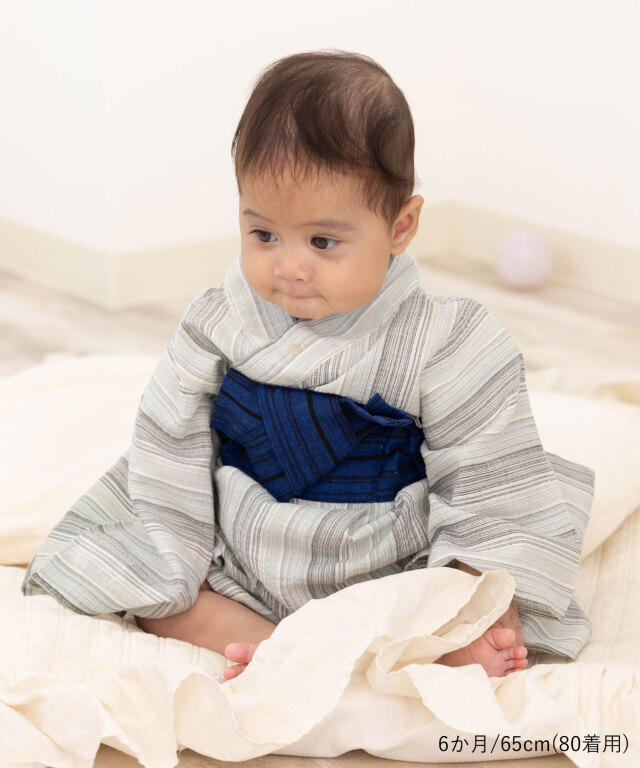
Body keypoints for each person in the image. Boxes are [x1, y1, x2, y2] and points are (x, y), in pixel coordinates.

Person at [21, 50, 594, 682]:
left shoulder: (446, 339)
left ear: (400, 226)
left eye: (323, 242)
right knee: (158, 600)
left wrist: (472, 590)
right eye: (263, 234)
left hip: (382, 563)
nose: (289, 267)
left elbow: (487, 473)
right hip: (246, 551)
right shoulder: (218, 322)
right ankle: (277, 646)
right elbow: (168, 442)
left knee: (466, 584)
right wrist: (167, 554)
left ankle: (416, 641)